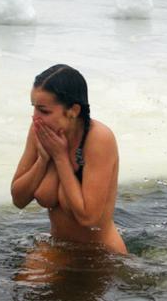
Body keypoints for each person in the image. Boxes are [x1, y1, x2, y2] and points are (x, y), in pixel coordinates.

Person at [11, 64, 127, 254]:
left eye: (44, 111)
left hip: (102, 256)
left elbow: (89, 218)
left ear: (73, 110)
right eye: (34, 108)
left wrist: (60, 158)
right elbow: (18, 199)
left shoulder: (99, 139)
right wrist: (43, 160)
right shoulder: (39, 131)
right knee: (19, 284)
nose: (35, 118)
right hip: (59, 249)